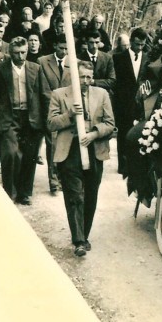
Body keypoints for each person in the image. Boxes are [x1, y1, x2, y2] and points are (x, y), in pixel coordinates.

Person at [47, 61, 115, 256]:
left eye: (89, 77)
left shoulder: (102, 94)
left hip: (94, 150)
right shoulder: (59, 94)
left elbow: (110, 124)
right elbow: (51, 123)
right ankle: (79, 240)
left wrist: (94, 134)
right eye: (82, 77)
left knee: (91, 194)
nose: (86, 81)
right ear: (74, 77)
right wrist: (69, 115)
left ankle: (84, 234)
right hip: (70, 151)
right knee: (75, 195)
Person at [0, 36, 43, 205]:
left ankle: (24, 193)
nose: (21, 56)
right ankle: (8, 192)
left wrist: (46, 120)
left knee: (29, 155)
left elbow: (44, 95)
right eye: (17, 53)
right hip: (9, 118)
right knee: (10, 153)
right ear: (10, 52)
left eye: (24, 52)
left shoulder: (36, 68)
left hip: (31, 117)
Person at [38, 33, 72, 194]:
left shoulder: (74, 63)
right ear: (54, 46)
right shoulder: (43, 62)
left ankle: (63, 178)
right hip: (49, 110)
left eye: (66, 48)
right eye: (61, 48)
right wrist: (55, 105)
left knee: (66, 144)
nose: (64, 51)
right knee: (51, 145)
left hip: (68, 111)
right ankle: (53, 182)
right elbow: (43, 89)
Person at [113, 27, 149, 175]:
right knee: (123, 134)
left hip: (141, 103)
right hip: (123, 102)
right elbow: (116, 82)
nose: (139, 48)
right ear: (131, 42)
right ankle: (123, 165)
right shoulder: (119, 58)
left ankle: (134, 165)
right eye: (137, 44)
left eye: (142, 45)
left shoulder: (148, 58)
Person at [79, 31, 116, 97]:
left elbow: (112, 81)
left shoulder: (107, 58)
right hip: (84, 95)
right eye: (91, 42)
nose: (94, 46)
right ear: (86, 42)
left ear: (100, 42)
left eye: (97, 42)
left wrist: (93, 82)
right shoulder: (79, 58)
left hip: (102, 95)